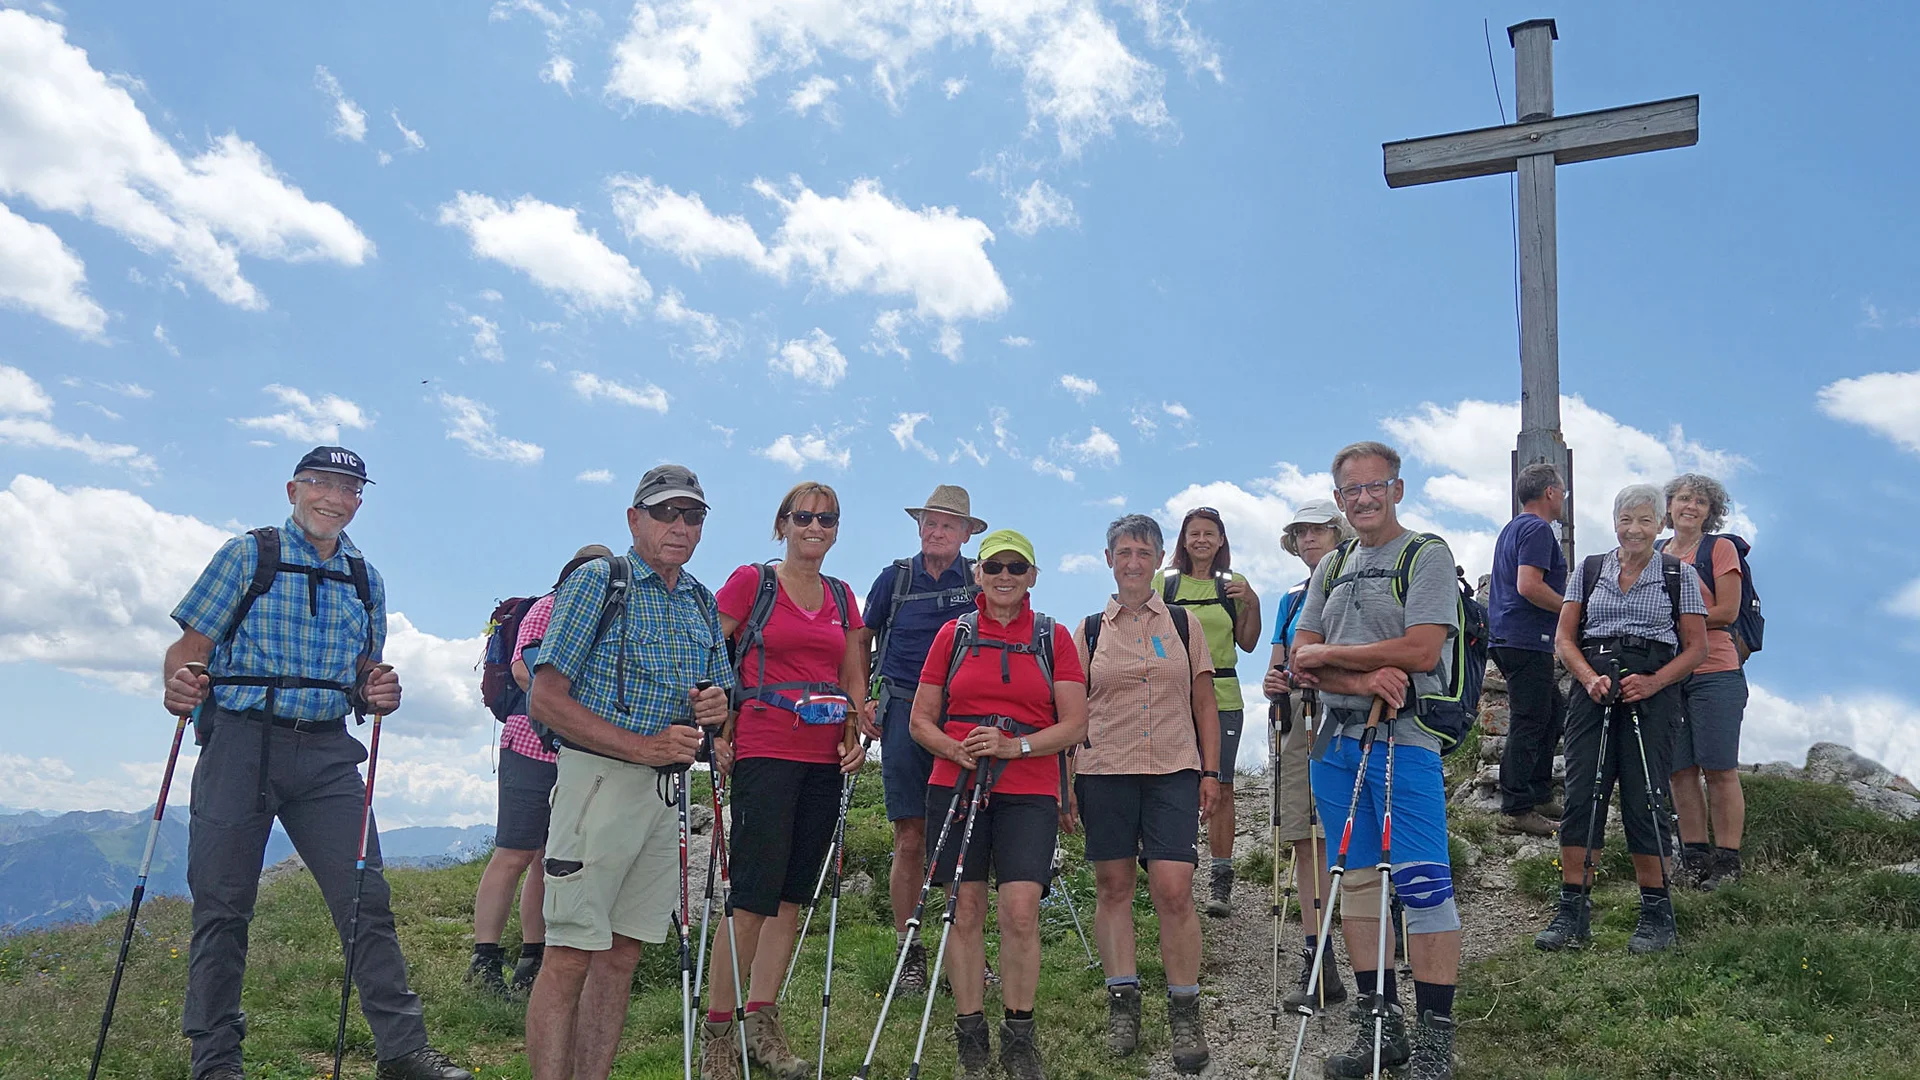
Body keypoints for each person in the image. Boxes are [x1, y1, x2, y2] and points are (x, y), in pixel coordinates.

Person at [162, 445, 471, 1080]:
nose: (335, 497)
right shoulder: (247, 555)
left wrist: (376, 685)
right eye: (321, 484)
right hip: (242, 742)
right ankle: (215, 1060)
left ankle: (403, 1053)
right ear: (292, 489)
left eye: (350, 488)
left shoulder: (365, 577)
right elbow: (189, 648)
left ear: (360, 500)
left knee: (366, 898)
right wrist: (178, 684)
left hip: (329, 749)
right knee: (222, 905)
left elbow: (363, 669)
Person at [524, 465, 735, 1080]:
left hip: (664, 793)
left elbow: (716, 692)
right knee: (568, 955)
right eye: (666, 513)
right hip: (597, 784)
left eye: (692, 516)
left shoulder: (700, 599)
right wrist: (642, 747)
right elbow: (546, 697)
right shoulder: (600, 580)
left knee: (620, 955)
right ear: (633, 518)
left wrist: (716, 706)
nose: (680, 527)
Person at [1288, 441, 1463, 1080]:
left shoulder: (1426, 554)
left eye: (1374, 487)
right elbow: (1298, 649)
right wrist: (1362, 680)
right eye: (1350, 491)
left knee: (1422, 884)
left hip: (1406, 738)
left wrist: (1331, 662)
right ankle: (1378, 1028)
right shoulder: (1331, 563)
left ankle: (1436, 1040)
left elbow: (1421, 649)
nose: (1363, 499)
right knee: (1358, 882)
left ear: (1397, 489)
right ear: (1338, 500)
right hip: (1336, 740)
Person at [701, 482, 870, 1080]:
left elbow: (852, 674)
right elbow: (708, 651)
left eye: (827, 519)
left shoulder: (843, 597)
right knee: (751, 896)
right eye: (804, 517)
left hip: (823, 757)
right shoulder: (753, 582)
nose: (816, 527)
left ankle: (761, 1022)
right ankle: (718, 1033)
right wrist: (719, 729)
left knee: (790, 897)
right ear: (783, 523)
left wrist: (854, 735)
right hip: (765, 749)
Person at [909, 529, 1087, 1080]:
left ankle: (1018, 1033)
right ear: (978, 575)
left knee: (1020, 912)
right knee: (963, 910)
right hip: (956, 781)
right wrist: (955, 749)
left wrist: (1018, 746)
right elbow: (920, 720)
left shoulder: (1053, 637)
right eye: (994, 567)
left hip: (1029, 786)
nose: (1005, 577)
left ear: (1032, 576)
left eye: (1016, 567)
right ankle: (970, 1031)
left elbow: (1076, 723)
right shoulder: (953, 635)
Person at [1071, 514, 1220, 1074]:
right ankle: (1123, 1001)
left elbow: (1204, 702)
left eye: (1143, 552)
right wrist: (1066, 779)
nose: (1133, 561)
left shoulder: (1184, 625)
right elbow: (1070, 710)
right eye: (1123, 552)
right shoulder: (1088, 631)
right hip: (1103, 769)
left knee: (1174, 888)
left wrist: (1212, 772)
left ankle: (1185, 1008)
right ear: (1108, 559)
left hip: (1173, 769)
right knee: (1113, 886)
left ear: (1159, 560)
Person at [1535, 483, 1707, 958]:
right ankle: (1572, 911)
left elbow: (1697, 648)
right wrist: (1588, 678)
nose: (1634, 530)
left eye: (1645, 521)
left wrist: (1654, 682)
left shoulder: (1678, 575)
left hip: (1652, 691)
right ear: (1614, 523)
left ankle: (1656, 914)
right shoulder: (1590, 569)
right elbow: (1565, 639)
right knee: (1581, 794)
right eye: (1626, 520)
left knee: (1645, 795)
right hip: (1595, 688)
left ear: (1660, 525)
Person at [856, 484, 986, 995]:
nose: (937, 531)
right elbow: (861, 639)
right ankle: (909, 951)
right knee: (910, 834)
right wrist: (862, 697)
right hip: (905, 711)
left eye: (948, 524)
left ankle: (967, 944)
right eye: (931, 522)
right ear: (919, 526)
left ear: (965, 533)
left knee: (965, 834)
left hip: (963, 716)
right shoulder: (895, 578)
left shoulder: (982, 576)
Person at [467, 544, 613, 998]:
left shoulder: (600, 618)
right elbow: (524, 670)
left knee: (548, 859)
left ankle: (534, 957)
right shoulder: (548, 608)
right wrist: (582, 703)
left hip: (573, 752)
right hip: (531, 745)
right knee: (514, 853)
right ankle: (484, 959)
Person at [1260, 498, 1357, 1011]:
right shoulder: (1292, 599)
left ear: (1338, 532)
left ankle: (1356, 957)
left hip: (1348, 715)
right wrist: (1274, 680)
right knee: (1304, 836)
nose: (1308, 539)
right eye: (1299, 533)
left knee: (1350, 837)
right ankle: (1319, 960)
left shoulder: (1359, 582)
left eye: (1318, 529)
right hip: (1302, 719)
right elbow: (1276, 665)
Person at [1157, 506, 1262, 917]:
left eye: (1209, 534)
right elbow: (1150, 634)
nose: (1201, 540)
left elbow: (1248, 644)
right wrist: (1174, 664)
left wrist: (1251, 603)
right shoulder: (1162, 583)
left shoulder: (1234, 585)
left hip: (1223, 695)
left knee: (1222, 785)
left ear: (1221, 541)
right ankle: (1180, 870)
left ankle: (1221, 879)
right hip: (1173, 696)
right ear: (1183, 541)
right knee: (1176, 783)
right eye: (1193, 534)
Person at [1660, 473, 1749, 891]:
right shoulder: (1657, 551)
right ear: (1670, 506)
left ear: (1711, 512)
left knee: (1719, 768)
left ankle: (1728, 862)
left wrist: (1677, 621)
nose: (1689, 507)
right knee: (1680, 770)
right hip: (1669, 674)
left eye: (1699, 501)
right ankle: (1694, 856)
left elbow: (1728, 611)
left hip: (1716, 670)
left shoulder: (1720, 549)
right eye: (1682, 499)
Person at [1488, 463, 1570, 838]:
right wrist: (1572, 611)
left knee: (1553, 711)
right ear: (1550, 492)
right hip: (1525, 639)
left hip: (1509, 637)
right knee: (1531, 718)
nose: (1564, 498)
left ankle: (1537, 792)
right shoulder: (1538, 529)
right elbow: (1529, 586)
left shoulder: (1513, 527)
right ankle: (1517, 805)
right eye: (1563, 491)